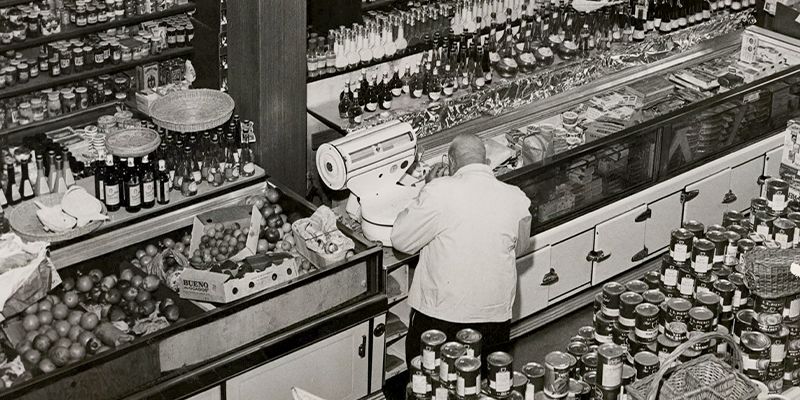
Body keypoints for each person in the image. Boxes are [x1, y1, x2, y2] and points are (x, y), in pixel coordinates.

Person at [391, 133, 532, 370]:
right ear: (486, 161)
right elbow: (520, 249)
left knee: (429, 380)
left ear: (451, 162)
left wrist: (426, 189)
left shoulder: (439, 191)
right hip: (494, 320)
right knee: (485, 381)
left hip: (440, 319)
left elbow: (401, 240)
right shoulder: (517, 198)